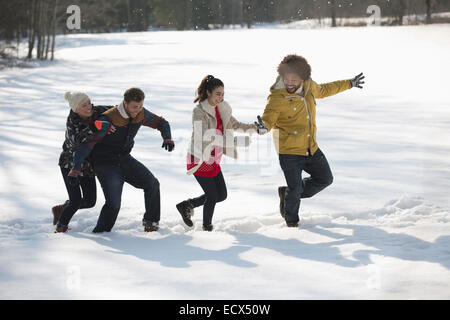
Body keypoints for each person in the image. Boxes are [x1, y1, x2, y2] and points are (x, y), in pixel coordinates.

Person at [258, 54, 365, 227]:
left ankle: (287, 193)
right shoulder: (276, 98)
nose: (290, 83)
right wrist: (263, 127)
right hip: (289, 151)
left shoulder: (309, 86)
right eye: (287, 79)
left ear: (303, 78)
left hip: (310, 147)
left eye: (294, 79)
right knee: (295, 190)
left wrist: (349, 83)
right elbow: (268, 119)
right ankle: (292, 224)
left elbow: (324, 90)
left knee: (325, 179)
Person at [176, 75, 265, 231]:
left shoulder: (222, 109)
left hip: (213, 159)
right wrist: (234, 142)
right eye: (218, 94)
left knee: (221, 195)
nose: (221, 97)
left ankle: (187, 205)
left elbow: (236, 124)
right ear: (208, 92)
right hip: (200, 158)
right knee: (212, 196)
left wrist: (255, 129)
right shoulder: (199, 112)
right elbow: (206, 136)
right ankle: (207, 227)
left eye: (223, 94)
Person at [83, 87, 174, 233]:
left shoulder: (141, 114)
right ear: (125, 103)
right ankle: (100, 233)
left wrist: (167, 137)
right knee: (114, 204)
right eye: (134, 107)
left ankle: (151, 223)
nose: (138, 110)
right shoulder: (109, 117)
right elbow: (90, 130)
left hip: (124, 159)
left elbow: (162, 123)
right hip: (105, 163)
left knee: (152, 184)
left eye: (140, 106)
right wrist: (101, 126)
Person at [52, 92, 115, 233]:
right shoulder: (72, 121)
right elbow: (77, 140)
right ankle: (61, 226)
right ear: (76, 109)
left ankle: (61, 209)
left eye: (89, 102)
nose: (88, 107)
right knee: (75, 200)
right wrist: (96, 126)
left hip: (87, 165)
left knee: (90, 201)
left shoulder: (96, 110)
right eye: (83, 105)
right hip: (70, 164)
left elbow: (117, 110)